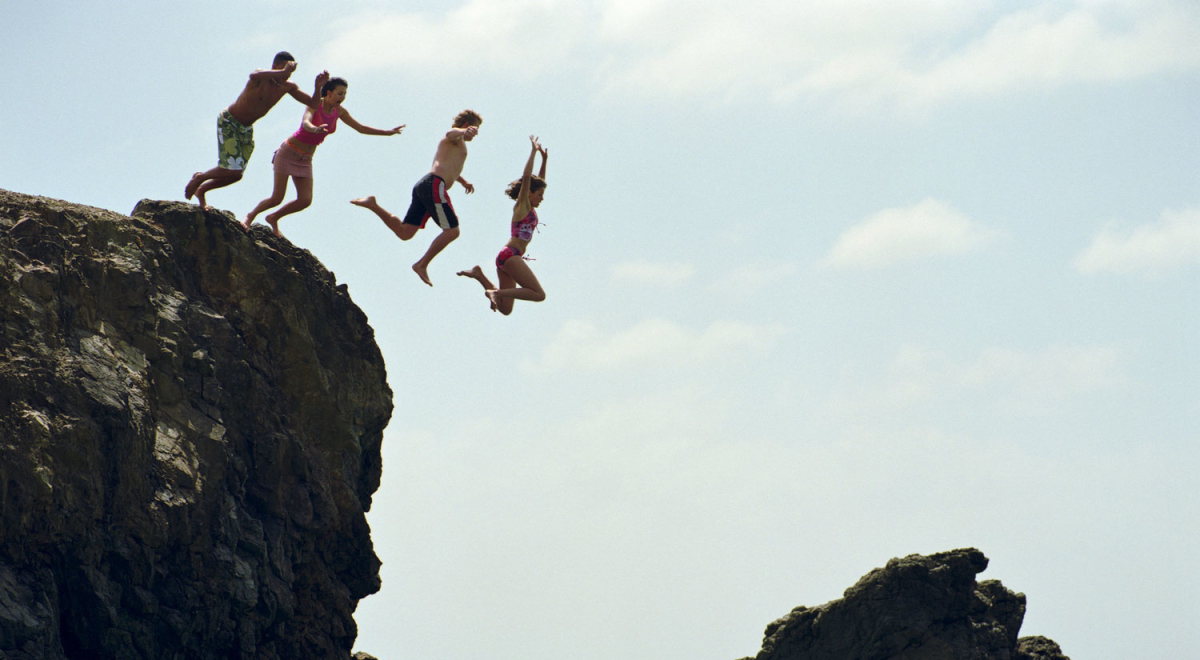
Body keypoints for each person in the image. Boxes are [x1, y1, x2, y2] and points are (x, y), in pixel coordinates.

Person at [242, 77, 404, 238]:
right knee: (277, 197)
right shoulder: (315, 104)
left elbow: (360, 128)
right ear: (329, 93)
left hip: (305, 159)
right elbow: (306, 122)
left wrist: (388, 132)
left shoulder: (339, 111)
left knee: (305, 200)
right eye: (340, 93)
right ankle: (250, 216)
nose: (342, 97)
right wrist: (314, 129)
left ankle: (273, 217)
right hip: (289, 152)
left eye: (344, 94)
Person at [351, 110, 482, 286]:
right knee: (452, 231)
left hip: (426, 186)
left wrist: (463, 181)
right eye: (476, 128)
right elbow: (451, 133)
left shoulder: (456, 145)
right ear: (467, 125)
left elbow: (449, 165)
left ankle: (373, 204)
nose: (476, 133)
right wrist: (463, 132)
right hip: (434, 185)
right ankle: (422, 264)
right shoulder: (454, 137)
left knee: (405, 233)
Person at [185, 52, 328, 209]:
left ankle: (202, 189)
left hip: (246, 129)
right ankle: (200, 177)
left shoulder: (288, 86)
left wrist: (318, 87)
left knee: (236, 175)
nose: (287, 75)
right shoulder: (262, 77)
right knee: (230, 168)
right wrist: (284, 71)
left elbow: (313, 104)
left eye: (290, 72)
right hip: (230, 121)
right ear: (275, 66)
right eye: (284, 69)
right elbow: (253, 74)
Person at [457, 136, 548, 315]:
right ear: (528, 193)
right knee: (538, 294)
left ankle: (479, 275)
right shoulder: (522, 206)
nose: (542, 198)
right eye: (539, 195)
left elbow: (538, 181)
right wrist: (533, 152)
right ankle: (494, 292)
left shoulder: (531, 206)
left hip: (507, 257)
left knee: (505, 309)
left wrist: (544, 160)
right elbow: (528, 178)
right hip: (511, 256)